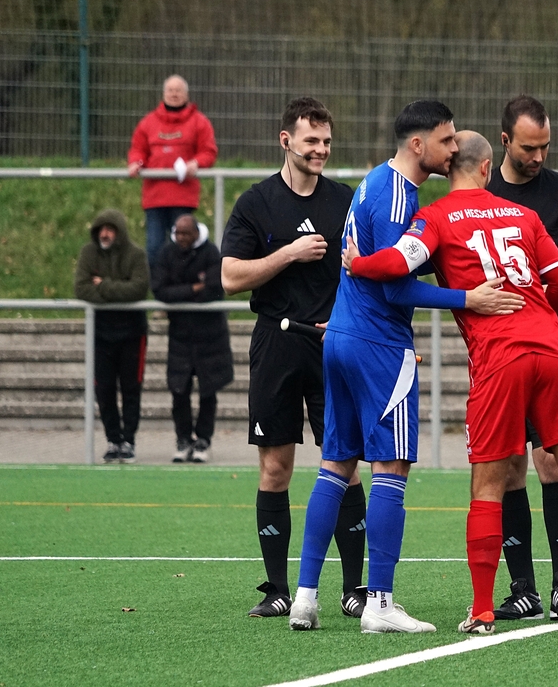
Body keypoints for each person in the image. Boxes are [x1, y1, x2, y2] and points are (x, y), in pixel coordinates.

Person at [343, 130, 558, 635]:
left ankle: (482, 611)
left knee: (488, 485)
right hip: (549, 349)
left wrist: (358, 263)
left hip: (498, 359)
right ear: (486, 167)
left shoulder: (434, 217)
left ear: (450, 167)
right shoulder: (525, 215)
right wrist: (540, 308)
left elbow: (397, 264)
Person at [288, 102, 523, 634]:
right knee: (390, 470)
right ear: (419, 145)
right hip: (378, 346)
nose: (454, 150)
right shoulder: (400, 195)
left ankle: (304, 598)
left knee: (335, 466)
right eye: (446, 140)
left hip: (341, 336)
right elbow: (395, 288)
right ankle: (380, 603)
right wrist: (468, 298)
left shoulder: (372, 181)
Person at [220, 97, 367, 619]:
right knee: (275, 467)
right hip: (276, 344)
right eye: (311, 141)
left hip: (333, 345)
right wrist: (288, 253)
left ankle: (354, 589)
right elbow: (230, 277)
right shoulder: (256, 203)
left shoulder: (347, 201)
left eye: (326, 141)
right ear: (286, 141)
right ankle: (278, 590)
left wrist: (346, 321)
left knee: (344, 463)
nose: (321, 150)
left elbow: (366, 272)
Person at [485, 95, 558, 623]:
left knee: (553, 460)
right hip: (498, 349)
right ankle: (522, 589)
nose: (538, 157)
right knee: (509, 464)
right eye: (529, 148)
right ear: (504, 141)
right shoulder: (482, 196)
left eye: (545, 147)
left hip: (552, 342)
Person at [151, 214, 234, 463]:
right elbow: (160, 290)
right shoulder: (167, 253)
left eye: (185, 233)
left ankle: (203, 440)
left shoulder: (211, 253)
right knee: (179, 391)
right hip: (180, 335)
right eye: (178, 233)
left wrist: (180, 292)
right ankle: (183, 439)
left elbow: (213, 289)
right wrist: (193, 288)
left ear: (196, 233)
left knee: (208, 391)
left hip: (211, 335)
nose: (181, 238)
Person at [73, 209, 150, 463]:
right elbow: (81, 288)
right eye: (101, 229)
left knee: (131, 388)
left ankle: (129, 440)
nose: (105, 234)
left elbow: (138, 289)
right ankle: (113, 440)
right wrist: (116, 292)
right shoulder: (89, 253)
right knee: (104, 389)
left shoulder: (136, 255)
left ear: (119, 232)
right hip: (101, 333)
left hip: (132, 333)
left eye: (110, 229)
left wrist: (103, 285)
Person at [128, 74, 218, 270]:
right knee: (154, 248)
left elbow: (208, 152)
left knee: (182, 248)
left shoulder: (199, 122)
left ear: (186, 94)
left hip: (183, 197)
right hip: (155, 198)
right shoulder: (148, 122)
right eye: (170, 90)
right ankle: (158, 285)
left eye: (178, 90)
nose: (174, 94)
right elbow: (138, 149)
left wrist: (196, 163)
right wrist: (136, 163)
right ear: (163, 94)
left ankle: (183, 284)